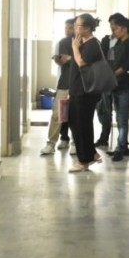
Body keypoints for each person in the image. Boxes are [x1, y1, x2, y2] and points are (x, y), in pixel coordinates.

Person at [66, 13, 104, 173]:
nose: (75, 29)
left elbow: (81, 62)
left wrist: (75, 48)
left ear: (87, 28)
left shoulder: (93, 44)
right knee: (77, 123)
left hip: (86, 92)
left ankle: (83, 161)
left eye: (78, 26)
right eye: (74, 26)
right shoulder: (83, 42)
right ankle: (91, 154)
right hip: (77, 90)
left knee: (81, 125)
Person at [41, 18, 75, 155]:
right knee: (57, 114)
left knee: (76, 115)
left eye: (70, 27)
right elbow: (60, 61)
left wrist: (70, 58)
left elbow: (85, 61)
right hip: (64, 83)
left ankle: (75, 143)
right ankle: (51, 143)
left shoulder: (85, 42)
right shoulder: (63, 42)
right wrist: (61, 59)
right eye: (66, 27)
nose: (67, 30)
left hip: (80, 84)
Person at [108, 15, 129, 161]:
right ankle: (124, 146)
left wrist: (113, 74)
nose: (114, 31)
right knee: (119, 118)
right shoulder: (116, 44)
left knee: (123, 118)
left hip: (126, 86)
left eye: (116, 28)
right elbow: (112, 61)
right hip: (115, 86)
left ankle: (120, 148)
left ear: (124, 28)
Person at [95, 13, 124, 148]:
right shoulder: (105, 40)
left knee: (120, 114)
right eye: (111, 24)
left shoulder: (125, 41)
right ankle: (104, 136)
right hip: (105, 80)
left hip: (119, 81)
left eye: (115, 24)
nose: (113, 27)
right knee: (103, 110)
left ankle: (122, 143)